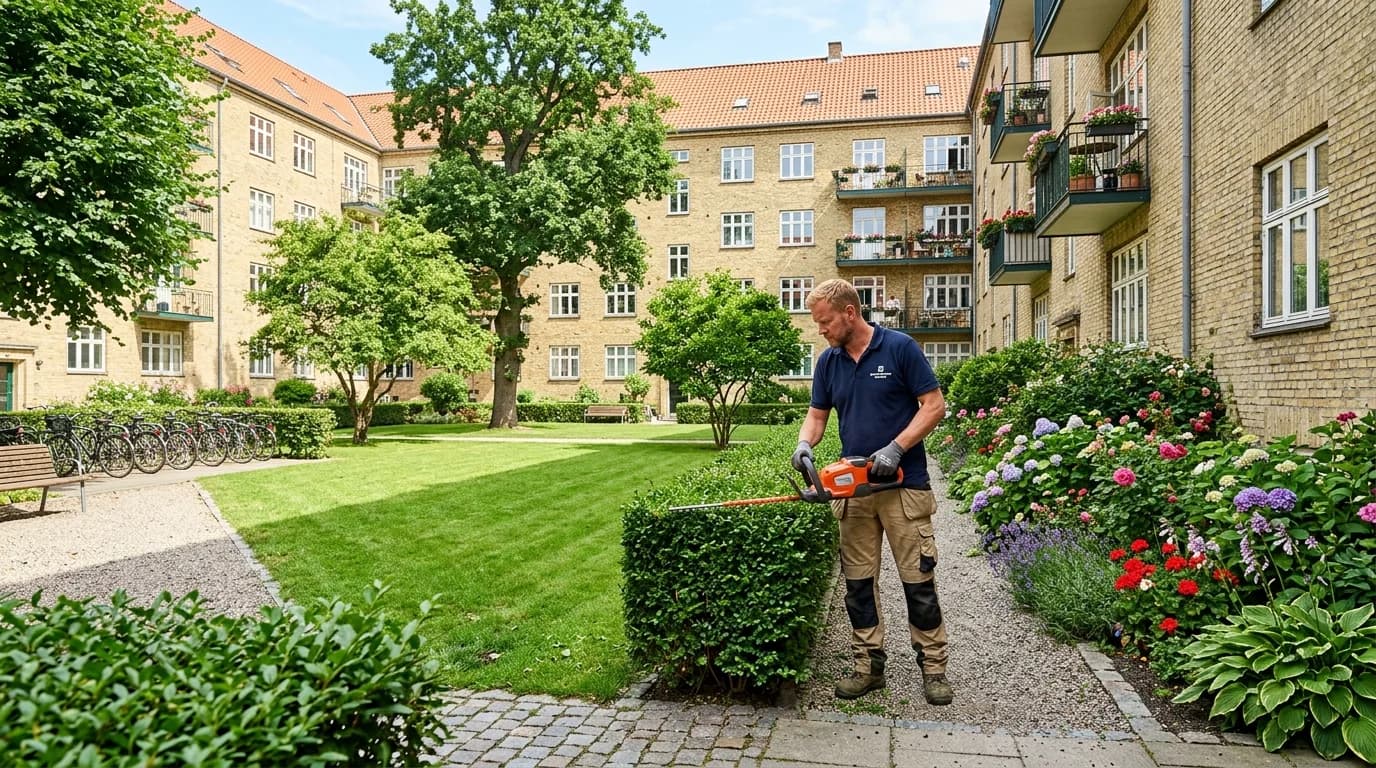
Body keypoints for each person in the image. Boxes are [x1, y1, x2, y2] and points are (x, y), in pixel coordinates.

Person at [792, 278, 951, 705]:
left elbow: (934, 406)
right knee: (859, 585)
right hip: (854, 489)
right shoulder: (828, 362)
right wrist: (805, 444)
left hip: (904, 486)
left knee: (918, 582)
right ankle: (868, 667)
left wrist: (897, 448)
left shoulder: (900, 348)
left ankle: (934, 669)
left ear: (849, 313)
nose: (820, 330)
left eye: (824, 322)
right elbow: (817, 417)